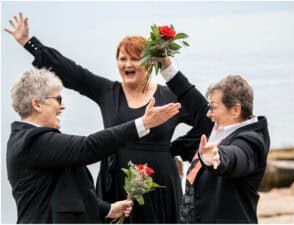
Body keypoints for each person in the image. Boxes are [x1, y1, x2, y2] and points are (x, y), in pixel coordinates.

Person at [5, 12, 213, 223]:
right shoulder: (107, 91)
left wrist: (174, 149)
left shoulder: (168, 96)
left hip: (159, 182)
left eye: (135, 58)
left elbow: (207, 120)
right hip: (115, 182)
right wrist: (29, 43)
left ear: (150, 63)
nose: (127, 64)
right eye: (122, 59)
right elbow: (73, 72)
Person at [6, 68, 181, 223]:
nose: (62, 106)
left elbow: (69, 192)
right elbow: (88, 146)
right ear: (37, 104)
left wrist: (109, 209)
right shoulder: (32, 141)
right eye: (58, 99)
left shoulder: (37, 140)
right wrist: (142, 124)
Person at [156, 61, 270, 223]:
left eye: (213, 107)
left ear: (235, 110)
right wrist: (165, 64)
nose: (208, 113)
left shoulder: (252, 140)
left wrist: (218, 157)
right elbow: (190, 96)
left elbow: (238, 155)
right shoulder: (218, 124)